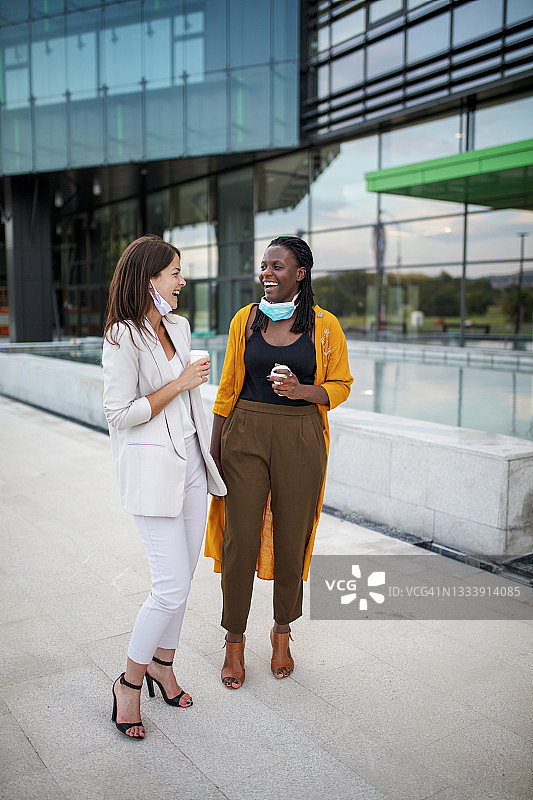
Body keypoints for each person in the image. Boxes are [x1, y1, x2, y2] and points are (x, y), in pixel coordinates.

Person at [205, 235, 353, 688]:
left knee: (293, 537)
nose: (266, 274)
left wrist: (302, 391)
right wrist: (213, 450)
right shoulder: (245, 320)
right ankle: (234, 641)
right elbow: (229, 386)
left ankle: (282, 633)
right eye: (263, 266)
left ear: (300, 274)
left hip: (301, 438)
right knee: (240, 539)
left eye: (277, 267)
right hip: (244, 434)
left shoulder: (325, 326)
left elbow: (341, 384)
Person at [102, 235, 226, 739]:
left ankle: (163, 664)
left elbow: (190, 406)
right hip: (154, 474)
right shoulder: (121, 337)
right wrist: (181, 382)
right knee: (169, 584)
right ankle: (128, 682)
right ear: (149, 278)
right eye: (175, 273)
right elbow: (118, 415)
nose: (182, 282)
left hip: (194, 464)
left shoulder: (178, 324)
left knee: (185, 578)